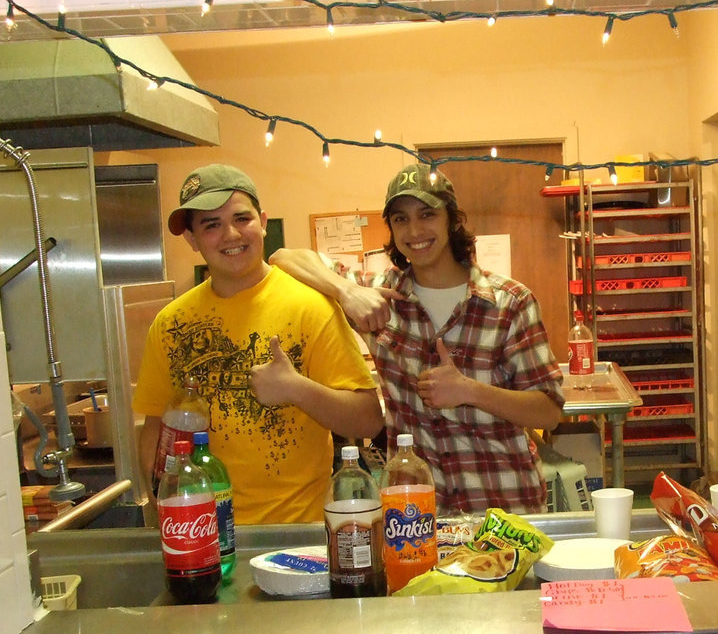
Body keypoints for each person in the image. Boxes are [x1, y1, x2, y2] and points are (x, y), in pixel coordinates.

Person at [271, 165, 564, 515]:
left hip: (502, 508)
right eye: (400, 219)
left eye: (427, 215)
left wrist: (470, 391)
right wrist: (347, 291)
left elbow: (549, 411)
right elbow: (283, 257)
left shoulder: (510, 302)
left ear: (452, 220)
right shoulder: (379, 296)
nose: (414, 231)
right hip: (416, 515)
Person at [132, 164, 382, 524]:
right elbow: (155, 426)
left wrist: (297, 389)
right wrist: (163, 509)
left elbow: (368, 420)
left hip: (296, 534)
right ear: (191, 239)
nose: (231, 235)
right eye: (211, 225)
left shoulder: (310, 306)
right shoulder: (171, 324)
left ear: (263, 221)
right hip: (202, 532)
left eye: (242, 219)